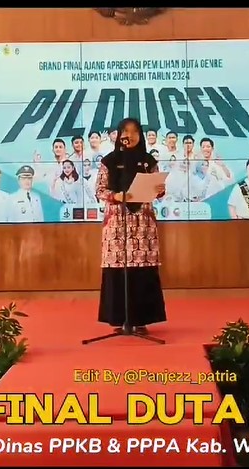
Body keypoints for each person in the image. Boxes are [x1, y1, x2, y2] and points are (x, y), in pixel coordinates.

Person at [96, 117, 167, 334]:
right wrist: (116, 196)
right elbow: (100, 190)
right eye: (125, 131)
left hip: (142, 224)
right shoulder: (109, 161)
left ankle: (141, 320)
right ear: (119, 135)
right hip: (117, 223)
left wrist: (159, 189)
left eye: (135, 131)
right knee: (118, 271)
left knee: (142, 271)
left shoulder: (148, 161)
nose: (130, 135)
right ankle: (119, 319)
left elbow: (157, 189)